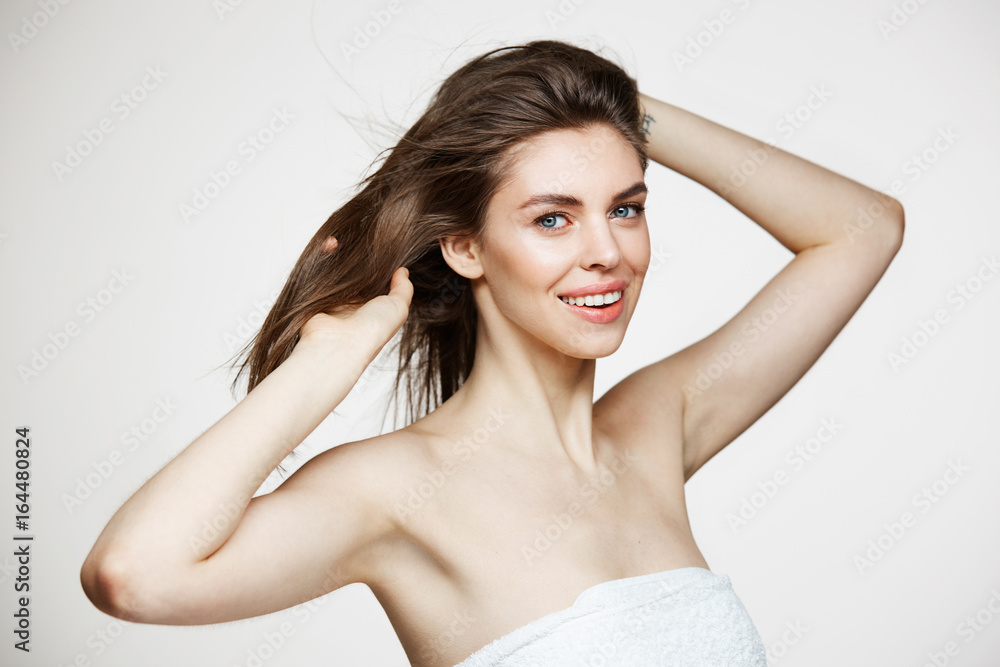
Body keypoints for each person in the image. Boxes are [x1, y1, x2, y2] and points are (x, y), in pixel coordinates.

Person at [80, 39, 904, 666]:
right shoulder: (396, 490)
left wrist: (619, 108)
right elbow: (133, 575)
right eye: (552, 217)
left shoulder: (655, 428)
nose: (606, 252)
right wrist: (323, 366)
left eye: (625, 207)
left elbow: (863, 228)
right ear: (467, 249)